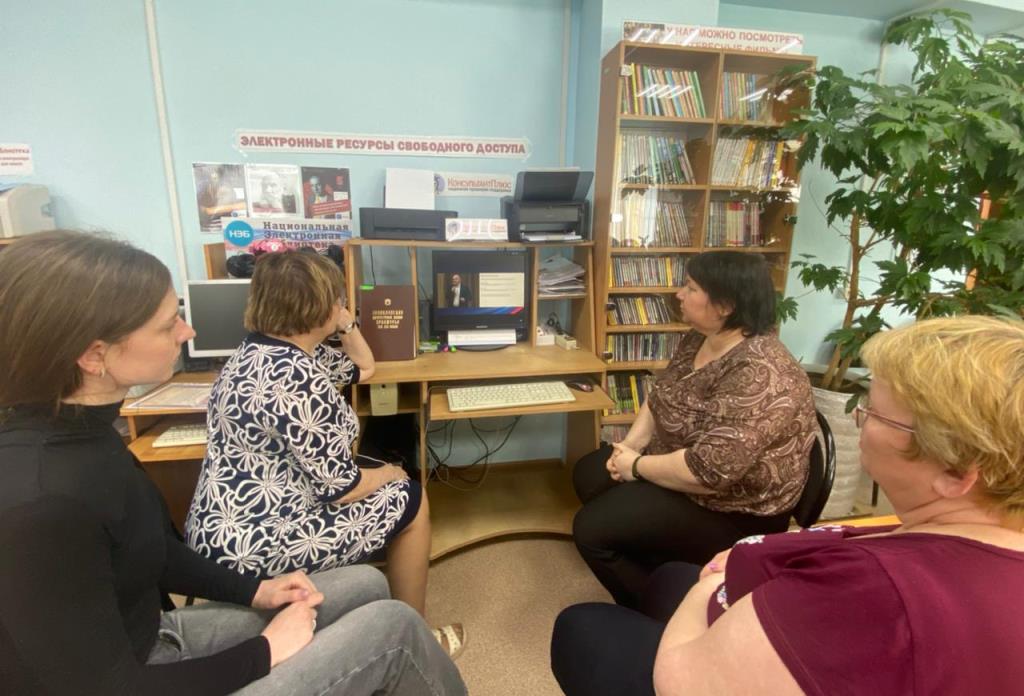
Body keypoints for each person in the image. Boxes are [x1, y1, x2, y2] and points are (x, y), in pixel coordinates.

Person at [0, 231, 466, 695]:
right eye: (168, 324)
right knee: (396, 623)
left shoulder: (86, 434)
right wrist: (265, 650)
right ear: (93, 355)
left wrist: (257, 592)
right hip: (146, 673)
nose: (188, 332)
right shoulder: (41, 505)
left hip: (156, 634)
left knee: (366, 584)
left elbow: (154, 551)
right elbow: (106, 687)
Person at [552, 315, 1024, 695]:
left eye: (875, 414)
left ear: (956, 474)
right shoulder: (971, 537)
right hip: (742, 564)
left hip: (727, 522)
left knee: (583, 624)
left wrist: (710, 587)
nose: (859, 420)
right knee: (669, 577)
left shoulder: (876, 589)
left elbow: (680, 682)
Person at [185, 250, 464, 656]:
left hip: (218, 529)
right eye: (337, 298)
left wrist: (346, 323)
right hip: (258, 542)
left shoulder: (259, 351)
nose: (341, 304)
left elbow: (364, 366)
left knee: (377, 470)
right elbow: (343, 489)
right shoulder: (301, 378)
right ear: (319, 306)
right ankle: (417, 635)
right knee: (411, 496)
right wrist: (392, 473)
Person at [572, 251, 816, 608]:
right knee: (589, 474)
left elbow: (707, 473)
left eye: (691, 288)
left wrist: (635, 466)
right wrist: (632, 445)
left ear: (725, 306)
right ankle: (657, 560)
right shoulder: (700, 338)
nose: (679, 294)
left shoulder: (762, 372)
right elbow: (662, 394)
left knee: (591, 529)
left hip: (733, 508)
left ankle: (659, 608)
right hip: (682, 462)